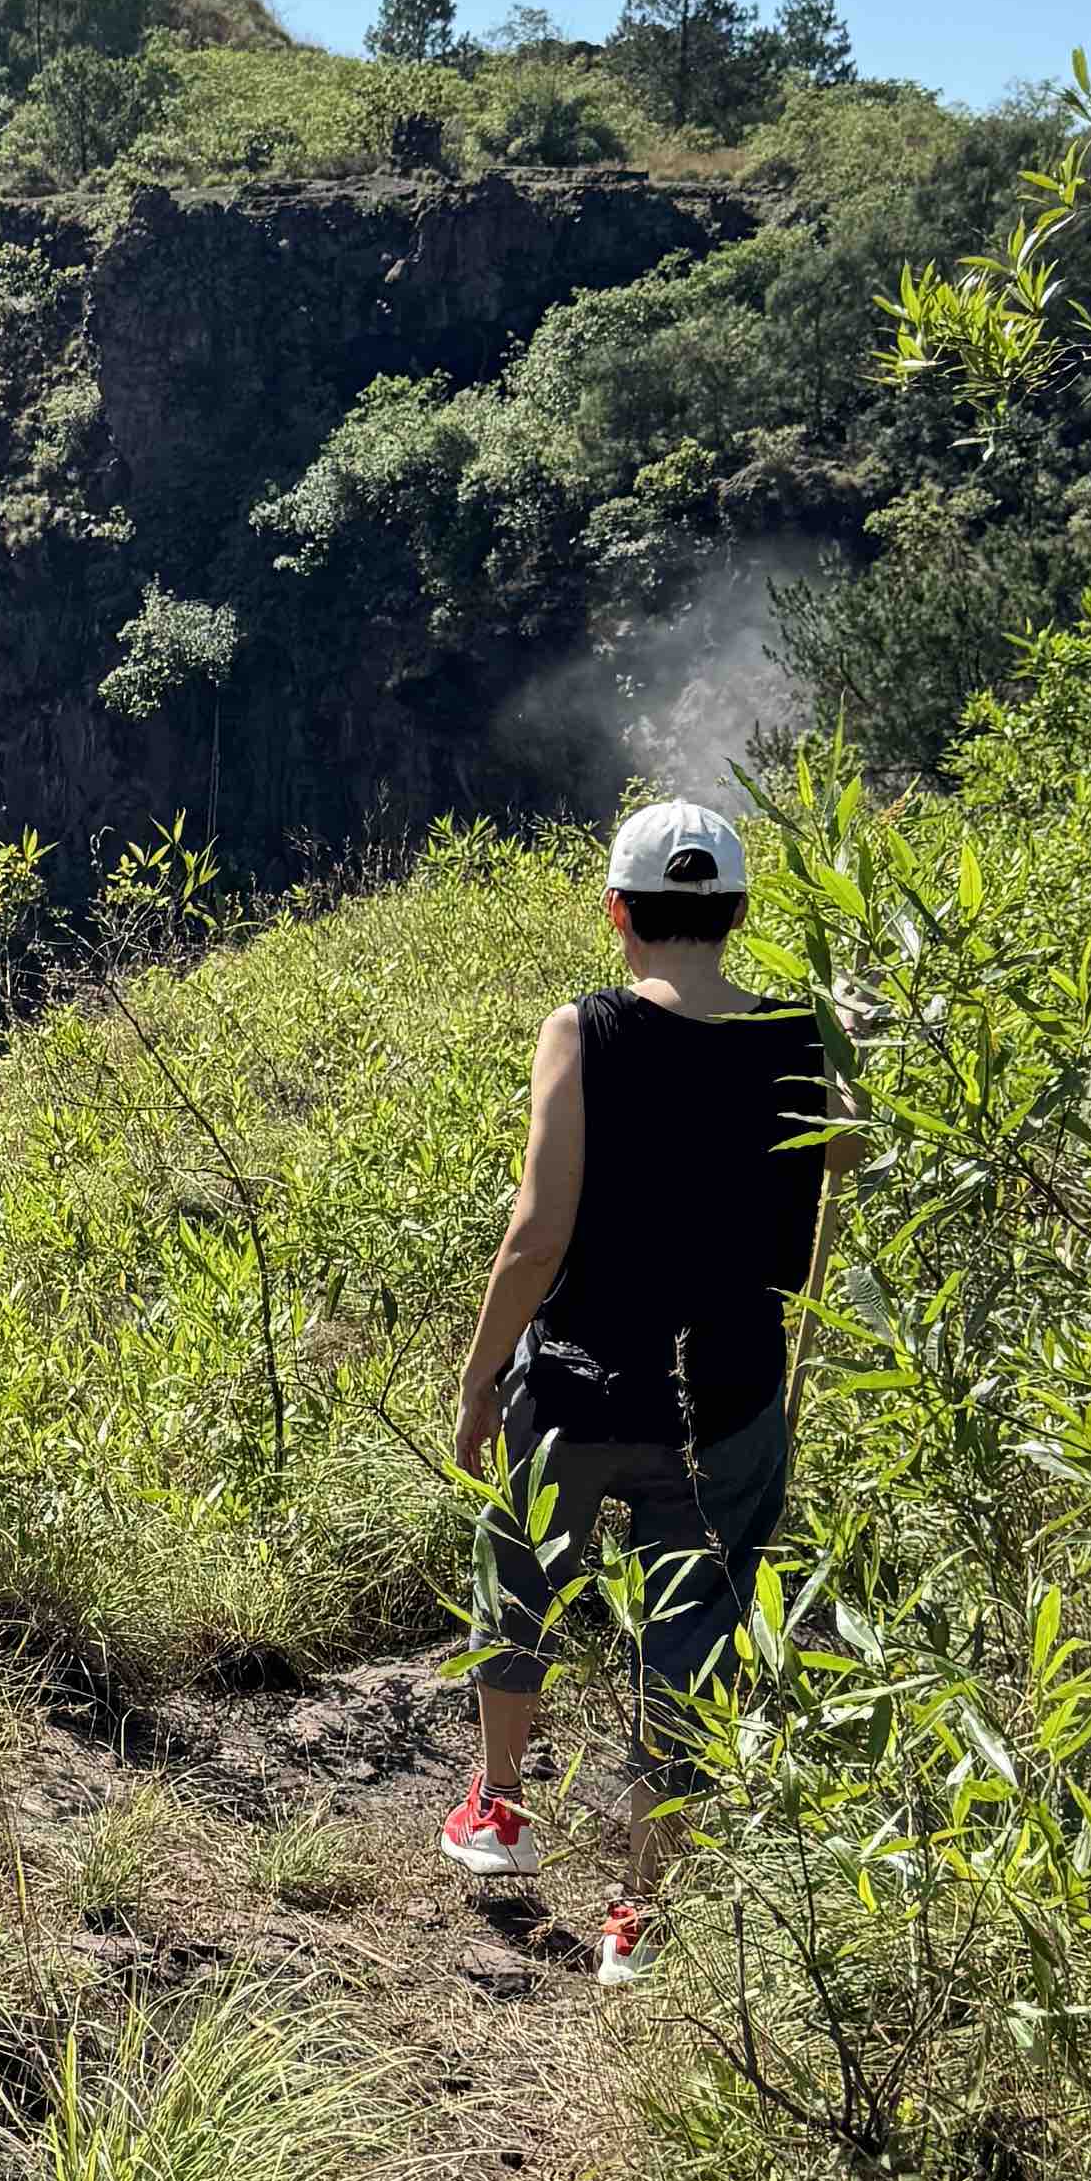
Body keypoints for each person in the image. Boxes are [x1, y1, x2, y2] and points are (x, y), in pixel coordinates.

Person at [441, 795, 861, 1977]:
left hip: (578, 1388)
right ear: (737, 914)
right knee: (693, 1641)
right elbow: (844, 1173)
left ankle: (500, 1810)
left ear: (617, 913)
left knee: (522, 1582)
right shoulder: (803, 1038)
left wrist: (480, 1376)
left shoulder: (582, 1031)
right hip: (727, 1399)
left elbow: (538, 1231)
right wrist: (851, 1047)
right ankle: (640, 1910)